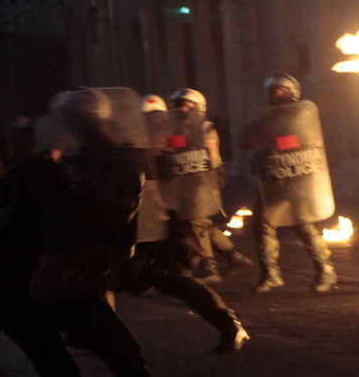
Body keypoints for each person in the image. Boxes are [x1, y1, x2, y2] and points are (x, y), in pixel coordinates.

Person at [0, 88, 206, 377]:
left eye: (134, 194)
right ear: (96, 188)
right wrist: (108, 283)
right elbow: (45, 288)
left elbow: (118, 262)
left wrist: (131, 276)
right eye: (118, 193)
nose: (127, 203)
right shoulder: (74, 212)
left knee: (125, 355)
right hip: (23, 295)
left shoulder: (124, 198)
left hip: (71, 284)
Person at [136, 94, 249, 354]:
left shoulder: (175, 139)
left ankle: (229, 324)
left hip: (157, 223)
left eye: (155, 118)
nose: (152, 123)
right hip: (130, 222)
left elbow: (186, 175)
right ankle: (98, 333)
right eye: (147, 118)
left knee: (178, 281)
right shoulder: (130, 144)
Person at [248, 74, 338, 293]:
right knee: (262, 224)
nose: (273, 94)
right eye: (270, 91)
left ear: (291, 93)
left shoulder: (303, 115)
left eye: (277, 90)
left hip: (299, 180)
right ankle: (270, 274)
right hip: (273, 180)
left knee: (304, 226)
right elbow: (247, 141)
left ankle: (326, 270)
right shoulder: (264, 118)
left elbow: (312, 142)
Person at [160, 88, 251, 282]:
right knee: (203, 224)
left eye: (187, 105)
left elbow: (213, 157)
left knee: (197, 224)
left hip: (200, 184)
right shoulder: (173, 130)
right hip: (183, 184)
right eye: (179, 105)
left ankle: (211, 268)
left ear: (198, 107)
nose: (182, 109)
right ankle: (234, 256)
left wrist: (216, 176)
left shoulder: (204, 128)